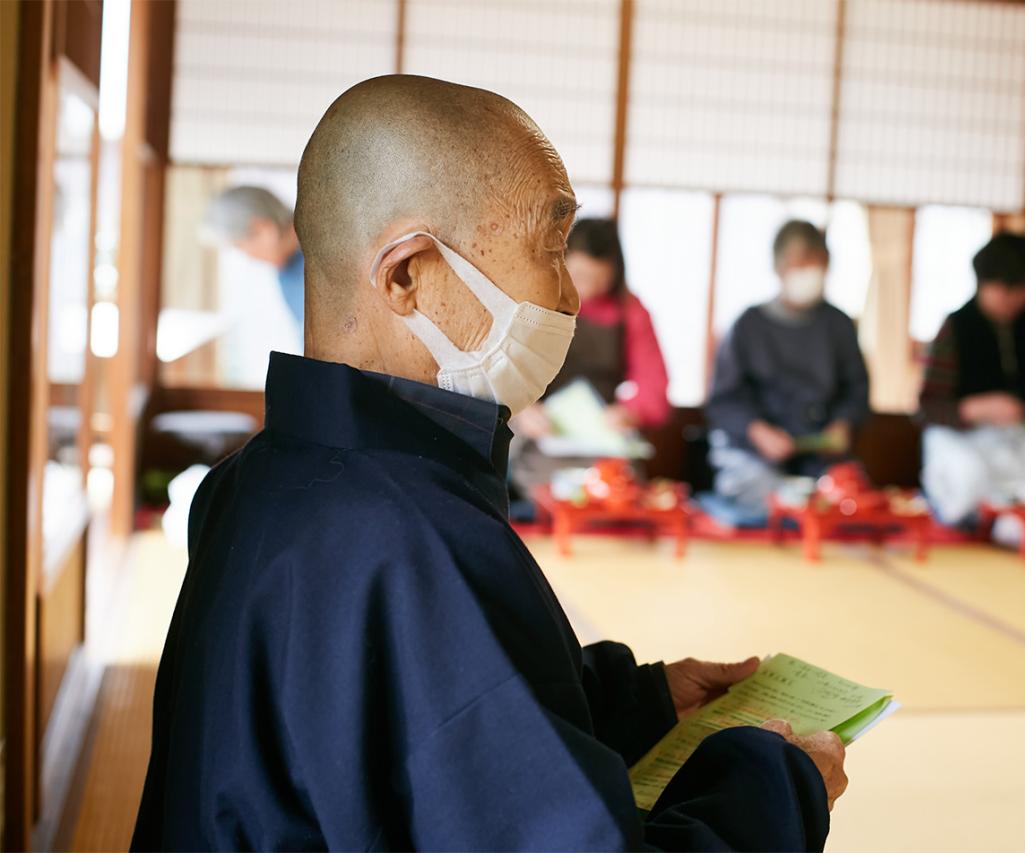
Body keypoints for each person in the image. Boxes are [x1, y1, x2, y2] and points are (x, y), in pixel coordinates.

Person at [133, 75, 845, 850]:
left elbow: (393, 736)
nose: (570, 296)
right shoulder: (415, 539)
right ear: (409, 276)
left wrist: (639, 701)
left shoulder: (256, 475)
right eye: (549, 250)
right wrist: (778, 782)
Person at [705, 220, 871, 519]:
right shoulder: (748, 325)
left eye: (816, 264)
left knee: (849, 497)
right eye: (800, 265)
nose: (810, 273)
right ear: (780, 268)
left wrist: (844, 423)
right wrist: (758, 431)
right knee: (764, 495)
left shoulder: (839, 325)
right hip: (753, 455)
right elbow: (723, 400)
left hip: (818, 455)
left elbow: (856, 389)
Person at [917, 232, 1025, 528]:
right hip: (964, 438)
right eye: (1004, 290)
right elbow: (926, 408)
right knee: (970, 476)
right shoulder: (955, 327)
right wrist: (977, 408)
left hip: (1022, 438)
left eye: (1020, 290)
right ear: (983, 284)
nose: (1013, 299)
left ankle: (1016, 521)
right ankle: (982, 520)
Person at [509, 217, 670, 499]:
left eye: (598, 279)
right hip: (541, 434)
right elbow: (502, 368)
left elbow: (653, 385)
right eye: (580, 277)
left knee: (619, 493)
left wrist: (630, 411)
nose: (587, 288)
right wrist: (522, 409)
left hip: (602, 438)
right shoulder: (535, 301)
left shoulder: (631, 311)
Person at [202, 185, 305, 327]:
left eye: (240, 246)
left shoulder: (331, 251)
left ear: (263, 229)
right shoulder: (286, 276)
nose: (248, 257)